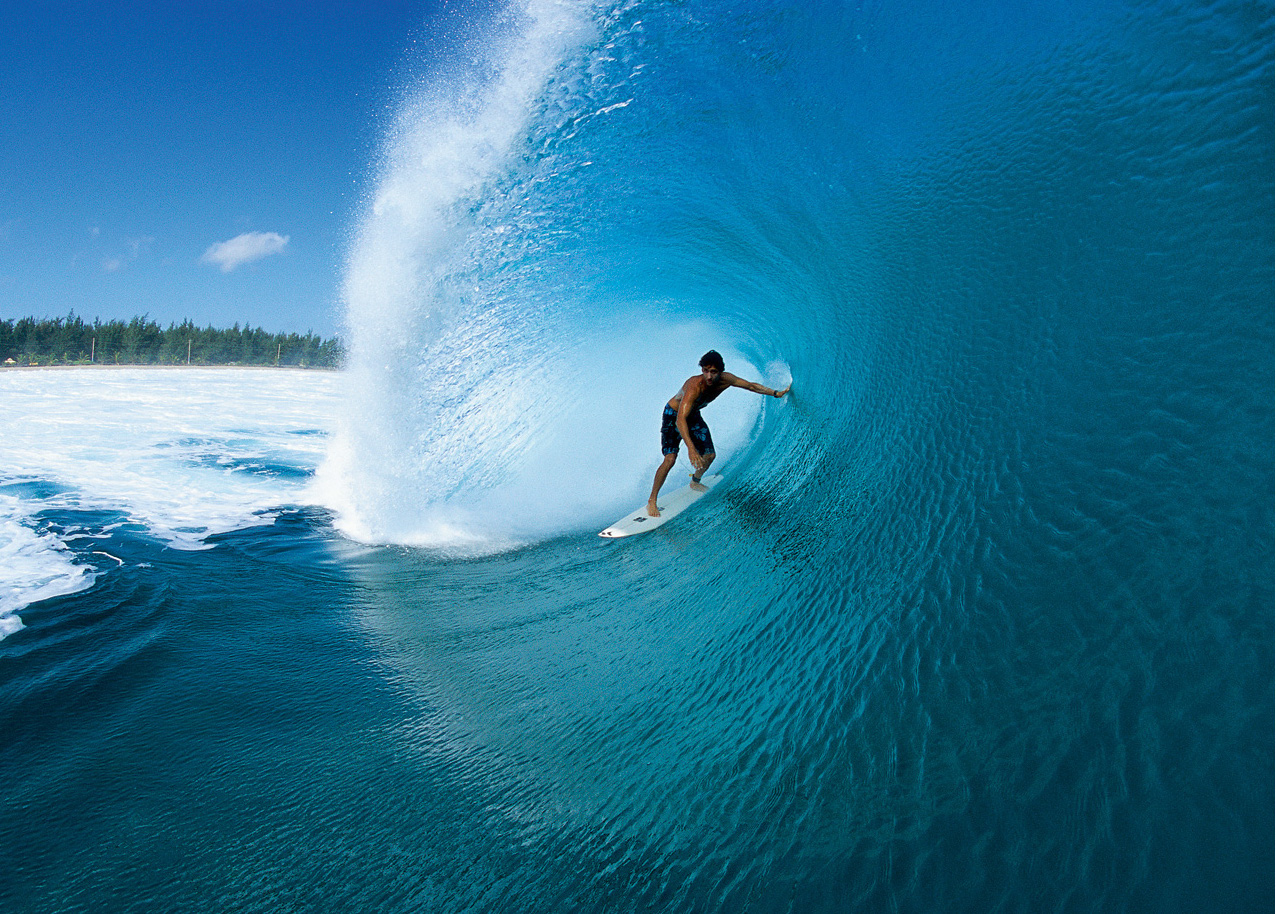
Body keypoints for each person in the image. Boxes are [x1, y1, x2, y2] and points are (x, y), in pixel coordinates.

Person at [647, 350, 791, 517]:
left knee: (709, 455)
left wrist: (775, 393)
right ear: (702, 370)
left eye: (713, 372)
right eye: (706, 370)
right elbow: (680, 420)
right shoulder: (694, 386)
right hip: (673, 416)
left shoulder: (726, 380)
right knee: (670, 459)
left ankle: (695, 482)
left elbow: (751, 386)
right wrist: (691, 449)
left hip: (692, 416)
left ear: (720, 372)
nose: (709, 376)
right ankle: (652, 500)